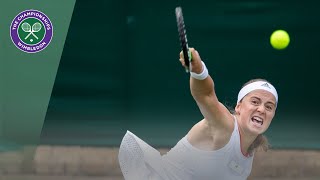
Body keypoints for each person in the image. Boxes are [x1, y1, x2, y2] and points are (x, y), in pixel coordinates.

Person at [118, 48, 278, 180]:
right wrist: (199, 70)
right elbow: (206, 95)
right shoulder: (225, 125)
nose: (262, 109)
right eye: (255, 102)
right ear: (239, 107)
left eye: (269, 107)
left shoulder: (249, 149)